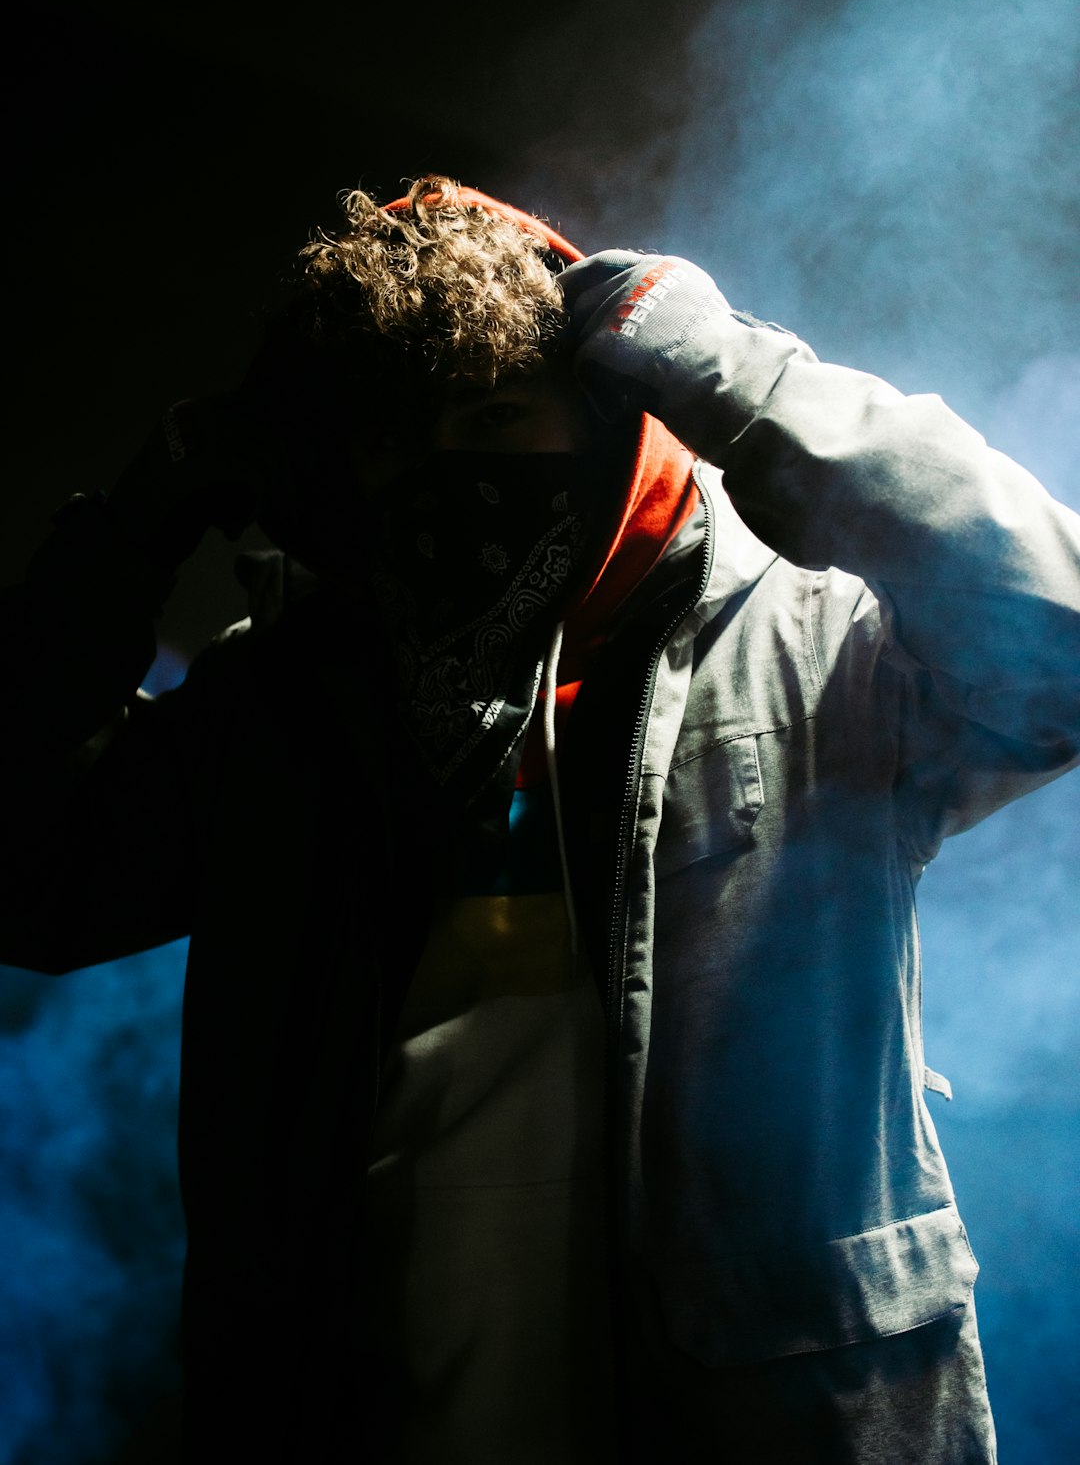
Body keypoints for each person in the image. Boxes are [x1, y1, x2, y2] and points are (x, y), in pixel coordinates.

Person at [2, 173, 1078, 1465]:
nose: (451, 474)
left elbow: (1058, 643)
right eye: (403, 436)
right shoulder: (280, 708)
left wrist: (757, 384)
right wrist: (126, 539)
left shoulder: (812, 650)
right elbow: (28, 871)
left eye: (501, 413)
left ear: (602, 414)